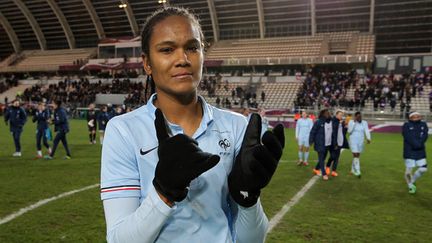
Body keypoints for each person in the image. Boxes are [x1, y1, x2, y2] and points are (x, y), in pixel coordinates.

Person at [100, 7, 285, 243]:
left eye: (192, 47)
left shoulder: (236, 127)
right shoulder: (124, 130)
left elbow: (253, 240)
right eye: (167, 50)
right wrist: (164, 192)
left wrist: (247, 198)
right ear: (147, 63)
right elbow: (119, 240)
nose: (183, 59)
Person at [402, 112, 428, 194]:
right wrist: (416, 144)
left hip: (420, 150)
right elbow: (407, 137)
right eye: (414, 116)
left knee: (423, 169)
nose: (417, 117)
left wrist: (420, 144)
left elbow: (425, 135)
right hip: (409, 150)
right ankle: (410, 186)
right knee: (408, 171)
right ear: (410, 118)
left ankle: (412, 181)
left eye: (418, 116)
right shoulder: (406, 125)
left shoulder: (424, 124)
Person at [309, 109, 332, 180]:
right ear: (322, 114)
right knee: (321, 159)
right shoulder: (318, 122)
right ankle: (324, 174)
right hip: (320, 143)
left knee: (323, 158)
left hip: (328, 144)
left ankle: (316, 169)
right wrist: (311, 141)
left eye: (328, 113)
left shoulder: (330, 122)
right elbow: (313, 132)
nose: (328, 114)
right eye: (326, 113)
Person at [325, 110, 349, 176]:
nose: (341, 116)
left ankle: (334, 171)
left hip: (340, 142)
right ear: (336, 115)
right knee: (332, 156)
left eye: (342, 115)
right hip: (333, 142)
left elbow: (344, 133)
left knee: (337, 157)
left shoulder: (341, 122)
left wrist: (346, 127)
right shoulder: (333, 121)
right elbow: (333, 131)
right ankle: (327, 166)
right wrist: (335, 143)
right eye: (340, 115)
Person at [348, 111, 371, 178]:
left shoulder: (364, 122)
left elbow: (366, 130)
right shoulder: (351, 122)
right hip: (353, 140)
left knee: (357, 155)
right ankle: (357, 171)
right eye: (358, 117)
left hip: (360, 140)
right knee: (355, 154)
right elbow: (349, 131)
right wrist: (354, 122)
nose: (359, 118)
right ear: (355, 117)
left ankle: (352, 170)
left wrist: (368, 138)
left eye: (360, 116)